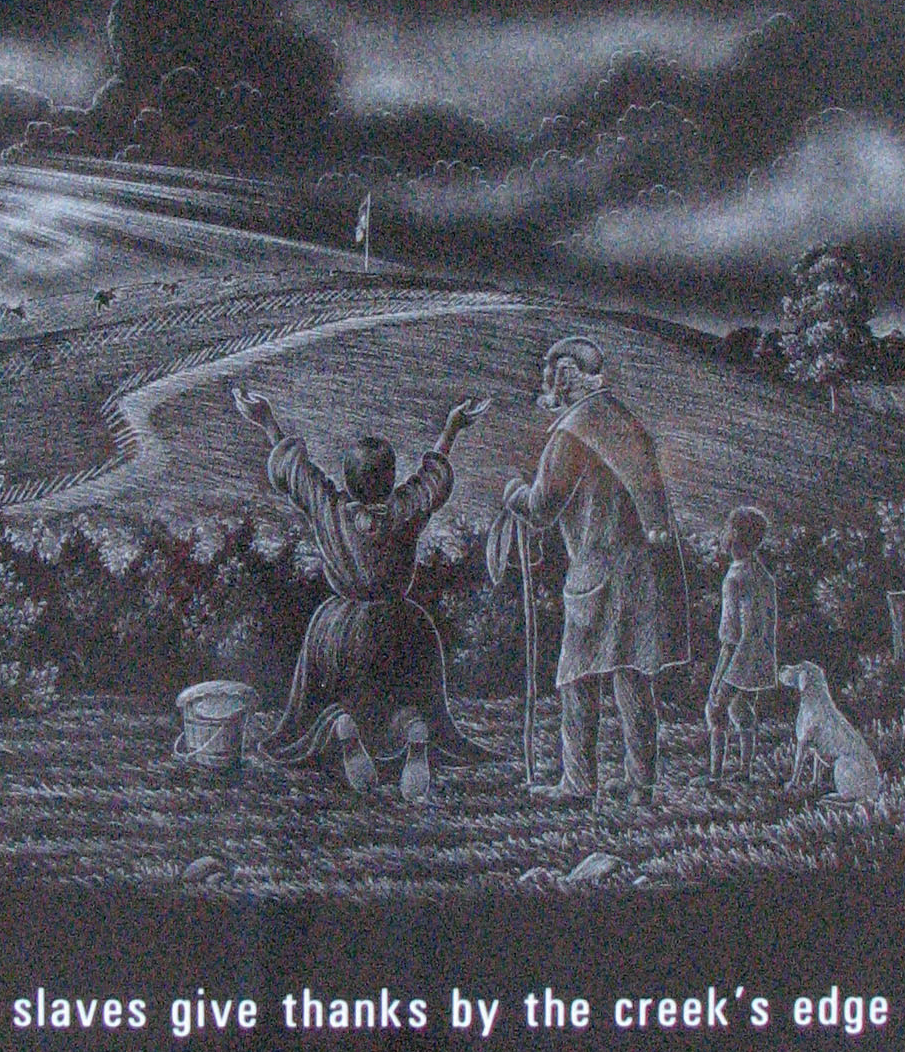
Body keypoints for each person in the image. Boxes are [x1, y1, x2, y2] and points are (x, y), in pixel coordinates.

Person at [232, 382, 489, 801]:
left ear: (348, 481)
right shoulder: (404, 510)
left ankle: (340, 725)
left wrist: (266, 422)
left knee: (332, 697)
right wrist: (452, 427)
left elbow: (294, 473)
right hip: (401, 623)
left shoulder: (329, 509)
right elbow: (433, 481)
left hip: (340, 626)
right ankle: (413, 729)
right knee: (404, 694)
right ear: (390, 480)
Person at [500, 337, 689, 804]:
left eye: (558, 373)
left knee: (576, 677)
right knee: (631, 675)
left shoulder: (574, 431)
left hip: (597, 570)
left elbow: (542, 507)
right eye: (552, 372)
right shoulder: (624, 421)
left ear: (573, 378)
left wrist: (513, 494)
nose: (553, 381)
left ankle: (579, 783)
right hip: (641, 569)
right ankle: (641, 783)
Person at [705, 504, 777, 780]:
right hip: (760, 658)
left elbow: (730, 635)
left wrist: (718, 677)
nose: (722, 533)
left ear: (734, 534)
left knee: (715, 710)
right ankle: (745, 771)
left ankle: (715, 775)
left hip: (738, 657)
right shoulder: (763, 576)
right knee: (742, 710)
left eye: (726, 527)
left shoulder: (734, 577)